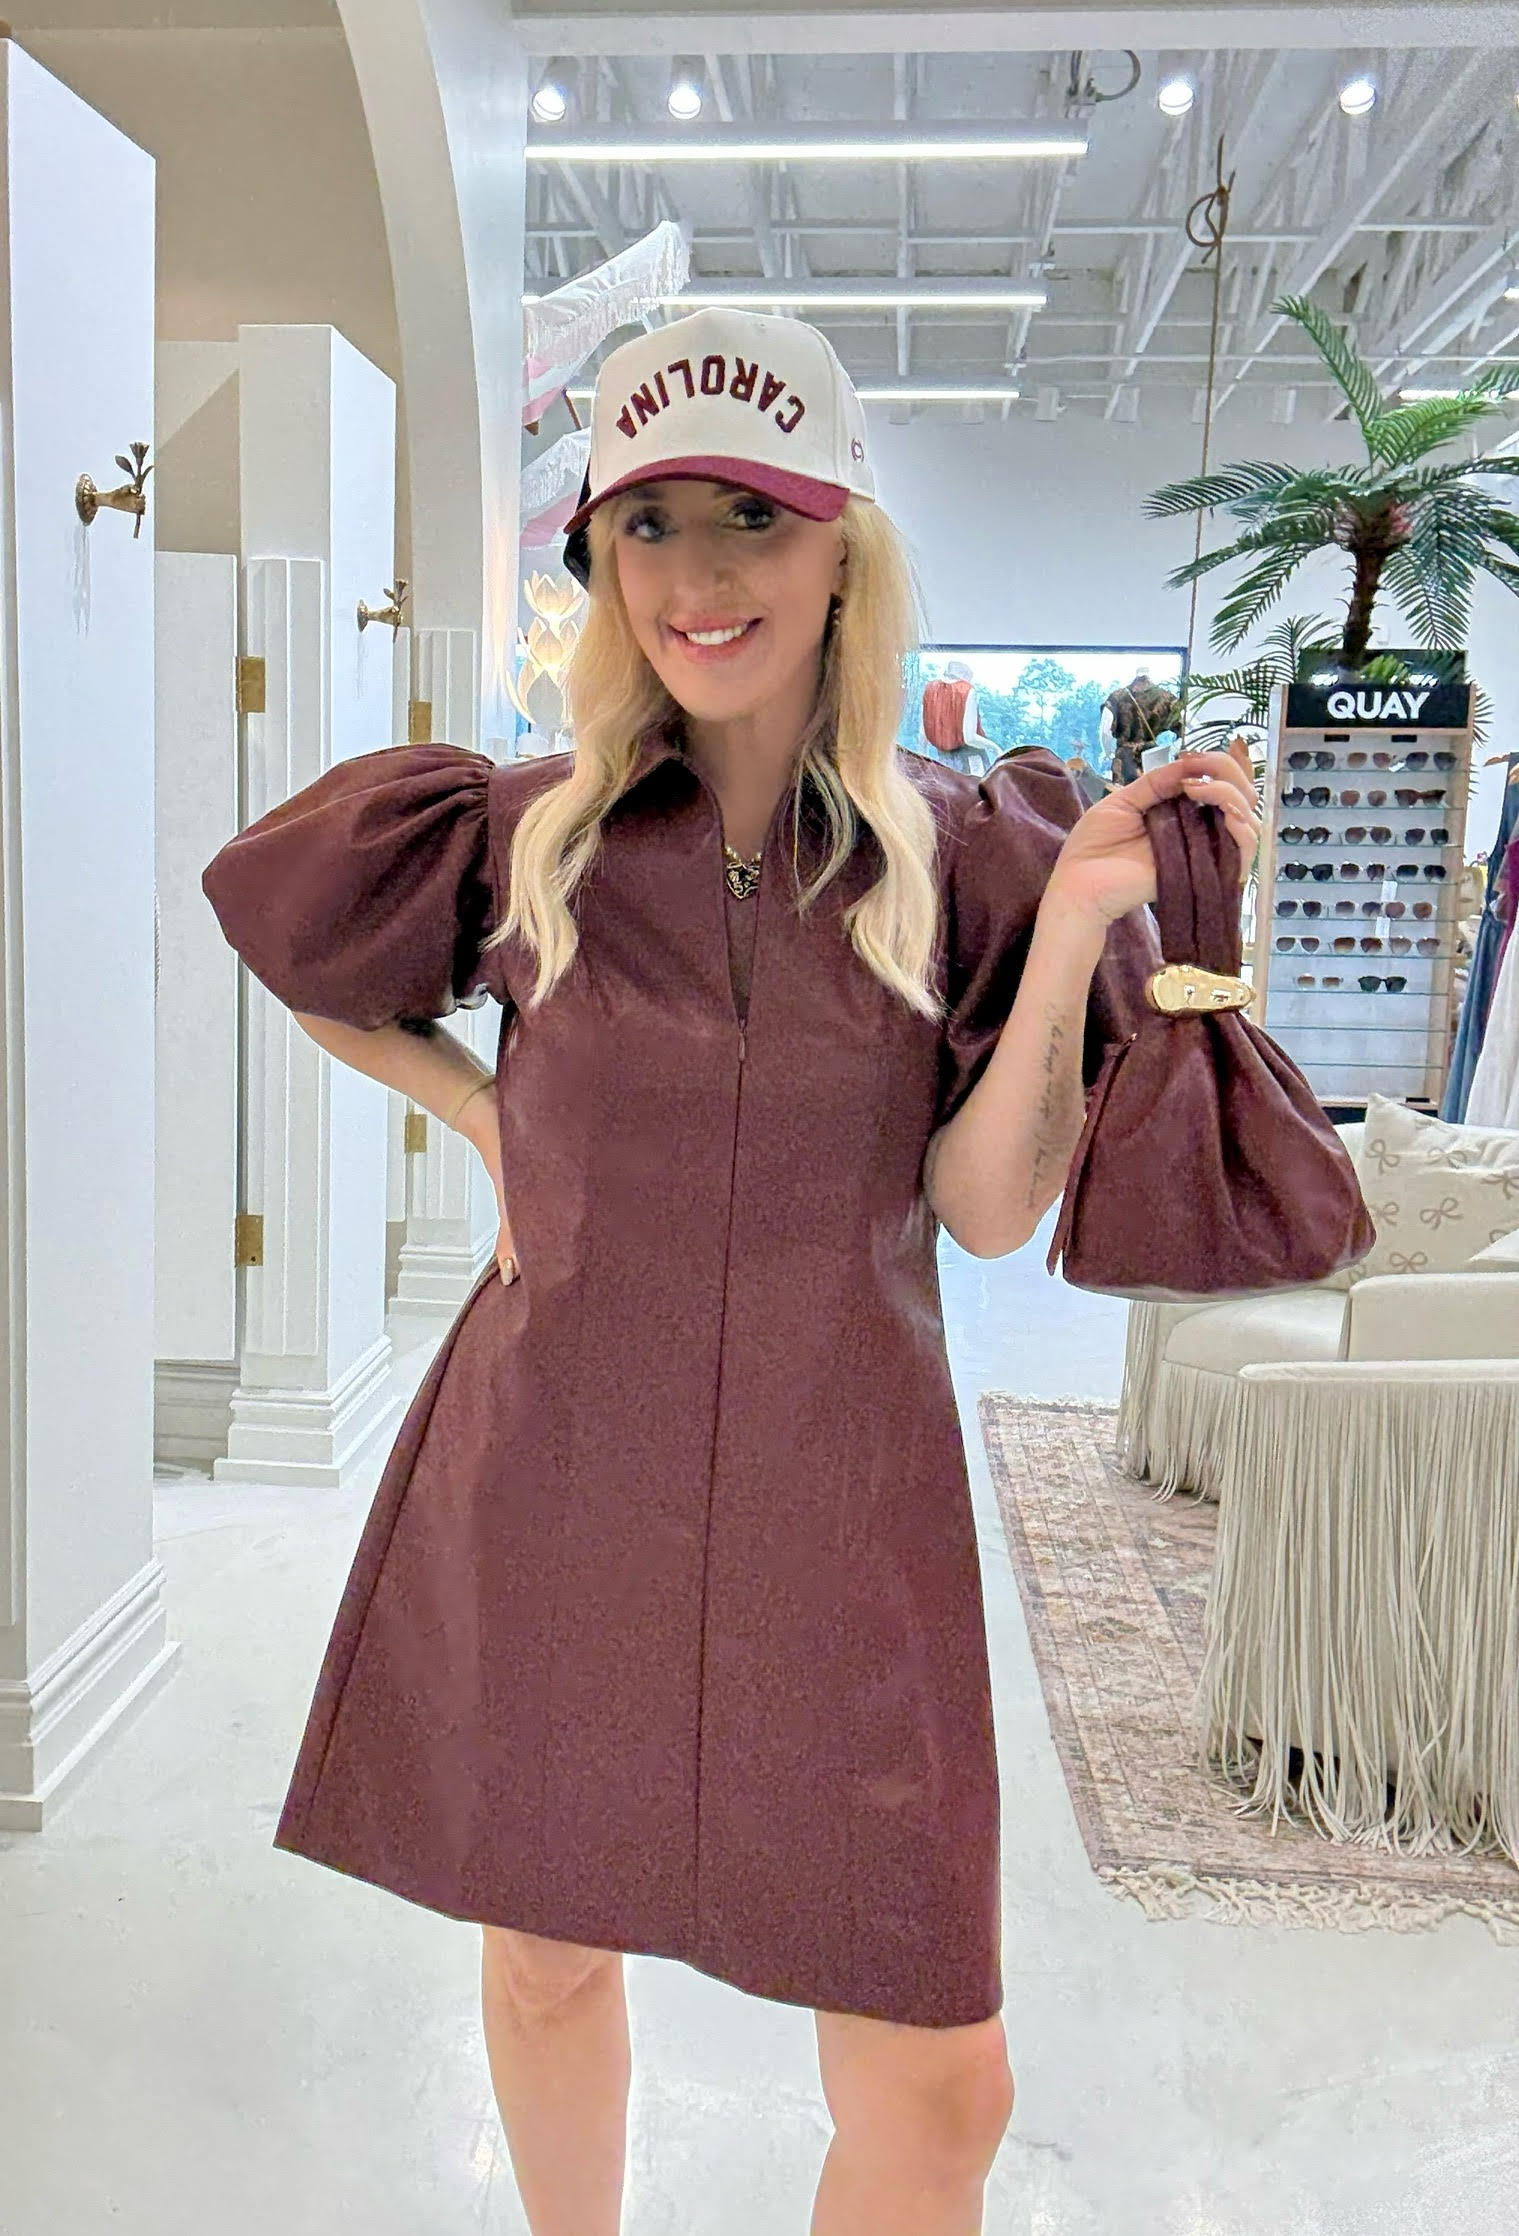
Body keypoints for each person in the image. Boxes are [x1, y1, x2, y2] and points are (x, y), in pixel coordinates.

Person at [201, 304, 1260, 2236]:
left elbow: (988, 1211)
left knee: (942, 2081)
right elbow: (289, 936)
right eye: (652, 523)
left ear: (842, 544)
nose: (700, 576)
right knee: (547, 1954)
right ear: (605, 560)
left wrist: (1077, 929)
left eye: (753, 518)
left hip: (847, 1495)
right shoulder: (530, 835)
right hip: (561, 1461)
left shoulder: (959, 849)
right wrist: (480, 1111)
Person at [1101, 665, 1183, 786]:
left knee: (1124, 794)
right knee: (1153, 793)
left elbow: (1105, 731)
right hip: (1152, 758)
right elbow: (1185, 729)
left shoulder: (1117, 697)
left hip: (1124, 759)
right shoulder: (1166, 698)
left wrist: (1108, 752)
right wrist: (1174, 751)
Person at [920, 656, 994, 777]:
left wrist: (922, 758)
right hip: (972, 759)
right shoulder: (966, 692)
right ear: (964, 677)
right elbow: (970, 738)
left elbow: (923, 733)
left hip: (945, 760)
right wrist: (994, 747)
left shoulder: (930, 690)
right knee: (975, 786)